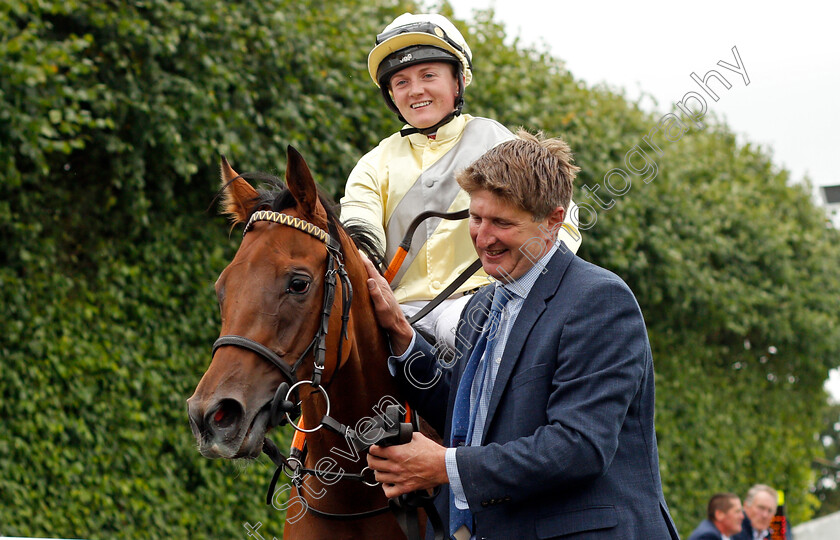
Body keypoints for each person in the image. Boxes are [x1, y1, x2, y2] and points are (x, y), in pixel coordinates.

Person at [361, 131, 678, 539]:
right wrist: (402, 334)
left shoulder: (599, 299)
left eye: (502, 223)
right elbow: (465, 418)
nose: (483, 237)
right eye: (476, 218)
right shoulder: (482, 304)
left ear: (553, 220)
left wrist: (443, 466)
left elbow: (578, 446)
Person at [340, 12, 582, 350]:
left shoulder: (498, 142)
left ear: (458, 82)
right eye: (401, 82)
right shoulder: (373, 164)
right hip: (393, 312)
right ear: (391, 96)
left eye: (428, 75)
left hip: (482, 307)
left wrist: (524, 288)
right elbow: (357, 231)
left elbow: (563, 222)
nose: (416, 90)